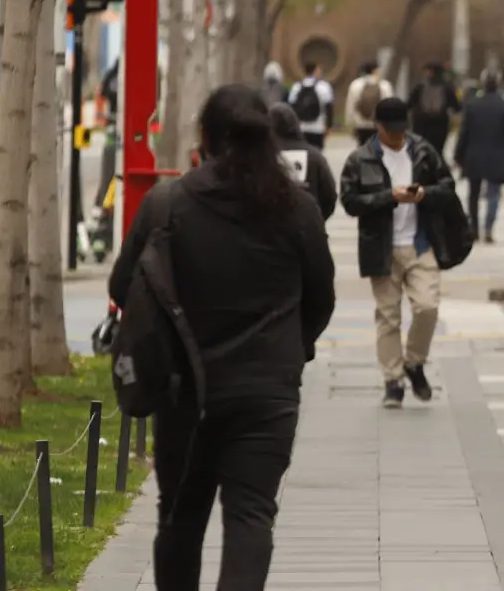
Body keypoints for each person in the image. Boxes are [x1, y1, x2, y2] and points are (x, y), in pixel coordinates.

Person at [109, 84, 336, 591]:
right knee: (252, 516)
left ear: (205, 138)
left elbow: (124, 286)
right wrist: (289, 350)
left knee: (180, 515)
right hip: (267, 393)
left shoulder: (168, 205)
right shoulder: (299, 210)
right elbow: (321, 298)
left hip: (184, 388)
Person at [340, 97, 470, 409]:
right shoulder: (360, 159)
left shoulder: (423, 150)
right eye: (391, 130)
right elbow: (350, 201)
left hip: (420, 243)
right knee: (388, 316)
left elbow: (448, 186)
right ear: (378, 126)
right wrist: (389, 197)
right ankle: (393, 380)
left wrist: (425, 194)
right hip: (381, 247)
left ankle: (413, 362)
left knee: (427, 307)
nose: (398, 136)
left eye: (401, 129)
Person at [455, 68, 504, 243]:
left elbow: (464, 133)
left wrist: (459, 155)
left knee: (473, 193)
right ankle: (488, 227)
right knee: (494, 193)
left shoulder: (472, 105)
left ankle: (474, 228)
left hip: (474, 154)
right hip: (498, 155)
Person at [270, 102, 337, 220]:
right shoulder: (314, 156)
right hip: (308, 222)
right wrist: (317, 218)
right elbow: (329, 195)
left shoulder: (263, 156)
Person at [411, 63, 461, 151]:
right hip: (440, 126)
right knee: (437, 150)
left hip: (422, 126)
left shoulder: (420, 87)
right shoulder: (447, 88)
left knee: (421, 149)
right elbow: (457, 107)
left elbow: (409, 103)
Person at [285, 61, 334, 149]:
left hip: (301, 128)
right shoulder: (323, 87)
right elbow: (328, 108)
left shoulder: (296, 86)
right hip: (318, 128)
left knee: (302, 153)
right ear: (315, 71)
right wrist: (329, 126)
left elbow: (290, 108)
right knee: (316, 153)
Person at [345, 60, 393, 145]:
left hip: (360, 124)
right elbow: (390, 106)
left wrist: (350, 123)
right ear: (375, 70)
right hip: (379, 124)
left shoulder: (355, 84)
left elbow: (350, 105)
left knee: (363, 147)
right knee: (377, 149)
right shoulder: (384, 85)